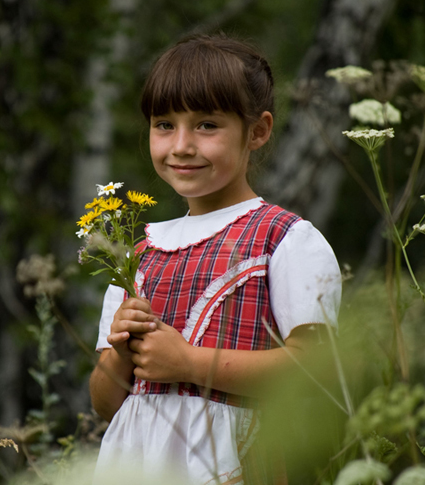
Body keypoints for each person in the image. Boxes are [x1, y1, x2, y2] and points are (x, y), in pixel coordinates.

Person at [88, 34, 341, 485]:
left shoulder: (284, 239)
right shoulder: (138, 252)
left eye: (206, 125)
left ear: (258, 131)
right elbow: (106, 403)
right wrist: (122, 350)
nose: (181, 145)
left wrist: (188, 363)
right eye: (164, 124)